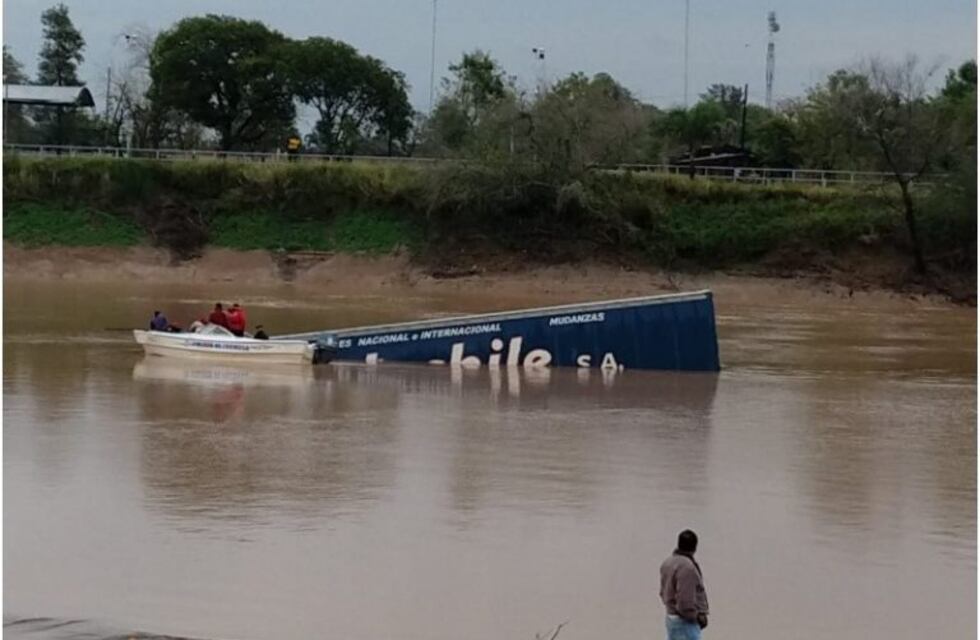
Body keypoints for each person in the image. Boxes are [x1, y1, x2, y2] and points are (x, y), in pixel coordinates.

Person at [660, 530, 709, 640]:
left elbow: (662, 592)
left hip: (671, 618)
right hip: (685, 623)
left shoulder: (668, 563)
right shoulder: (687, 568)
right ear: (695, 547)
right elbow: (684, 602)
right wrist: (697, 616)